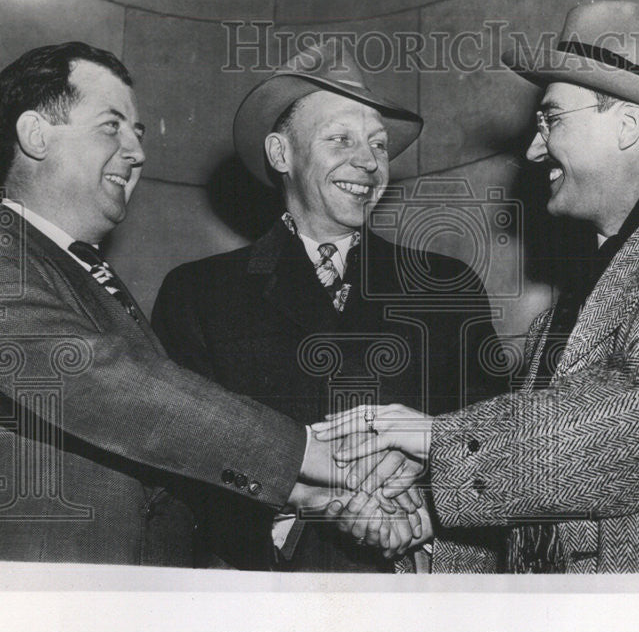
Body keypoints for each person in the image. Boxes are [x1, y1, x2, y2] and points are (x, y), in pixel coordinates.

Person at [315, 1, 639, 574]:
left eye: (552, 119)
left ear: (627, 125)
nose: (533, 148)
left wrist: (438, 440)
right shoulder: (574, 297)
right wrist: (428, 519)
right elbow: (553, 486)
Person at [0, 41, 413, 567]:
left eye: (138, 132)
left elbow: (152, 444)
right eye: (112, 126)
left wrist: (304, 497)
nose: (137, 152)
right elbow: (105, 385)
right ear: (36, 135)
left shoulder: (86, 275)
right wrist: (309, 457)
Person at [151, 39, 507, 572]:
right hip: (268, 591)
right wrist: (306, 506)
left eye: (379, 145)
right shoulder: (198, 293)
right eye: (340, 139)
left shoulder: (446, 284)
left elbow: (497, 434)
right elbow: (180, 461)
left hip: (419, 583)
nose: (367, 162)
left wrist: (426, 505)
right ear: (281, 154)